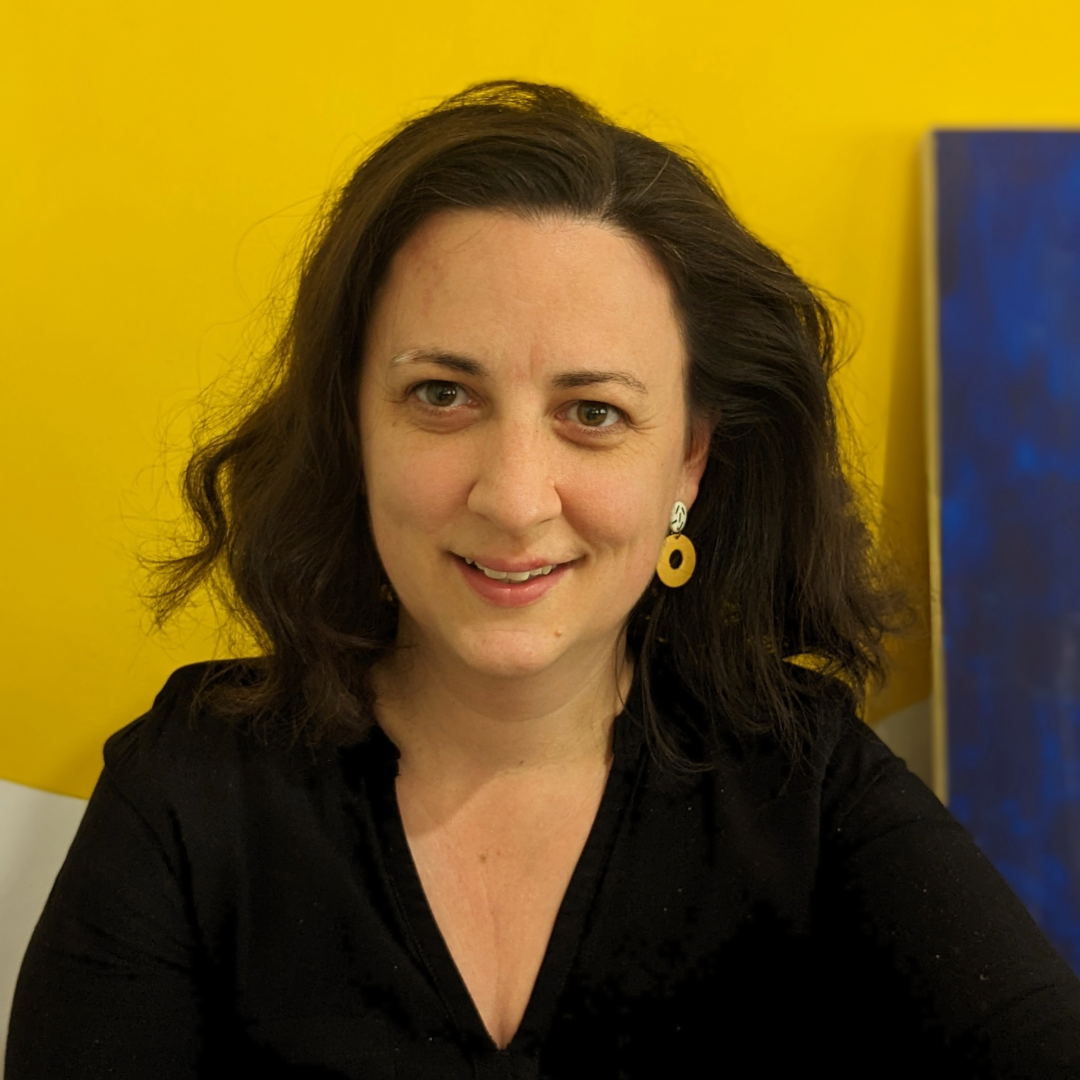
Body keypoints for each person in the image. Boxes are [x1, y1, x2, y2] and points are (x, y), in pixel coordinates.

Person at [7, 81, 1080, 1079]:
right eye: (442, 395)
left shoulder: (807, 788)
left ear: (690, 459)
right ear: (353, 424)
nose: (516, 499)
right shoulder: (192, 790)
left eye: (594, 413)